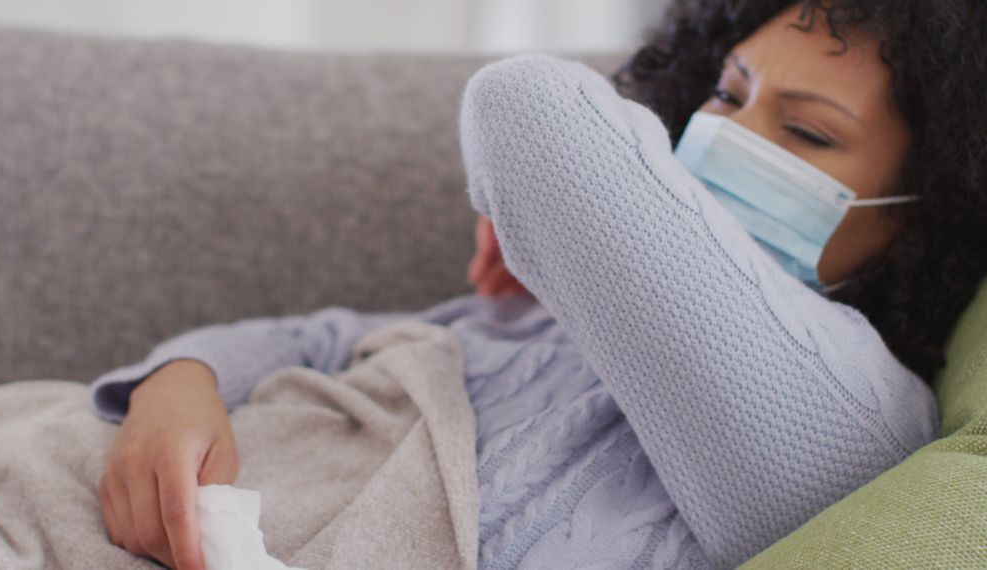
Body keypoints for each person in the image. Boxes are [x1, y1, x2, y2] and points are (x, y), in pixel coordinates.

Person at [89, 1, 987, 569]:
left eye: (810, 135)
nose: (729, 138)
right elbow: (318, 338)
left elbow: (529, 107)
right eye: (727, 92)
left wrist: (530, 198)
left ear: (921, 212)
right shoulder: (541, 314)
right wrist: (178, 384)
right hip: (125, 482)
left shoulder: (858, 414)